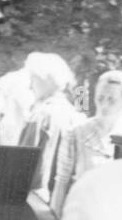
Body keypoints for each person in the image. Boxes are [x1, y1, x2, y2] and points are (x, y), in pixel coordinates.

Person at [50, 70, 122, 220]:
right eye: (100, 97)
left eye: (111, 99)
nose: (104, 103)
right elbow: (61, 181)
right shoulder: (76, 133)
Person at [18, 52, 82, 202]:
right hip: (62, 200)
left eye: (33, 79)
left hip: (35, 202)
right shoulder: (72, 114)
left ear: (45, 79)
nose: (29, 86)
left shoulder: (40, 115)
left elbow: (22, 164)